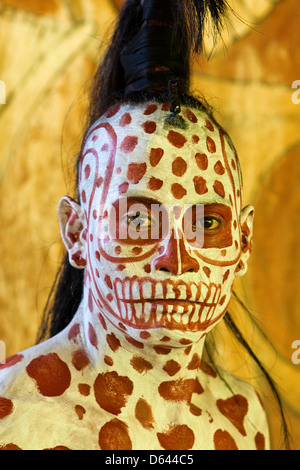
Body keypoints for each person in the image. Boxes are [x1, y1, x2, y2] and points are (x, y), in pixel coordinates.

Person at [0, 0, 289, 450]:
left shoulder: (243, 419)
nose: (175, 258)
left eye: (208, 221)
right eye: (137, 219)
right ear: (77, 233)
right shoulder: (14, 412)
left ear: (243, 244)